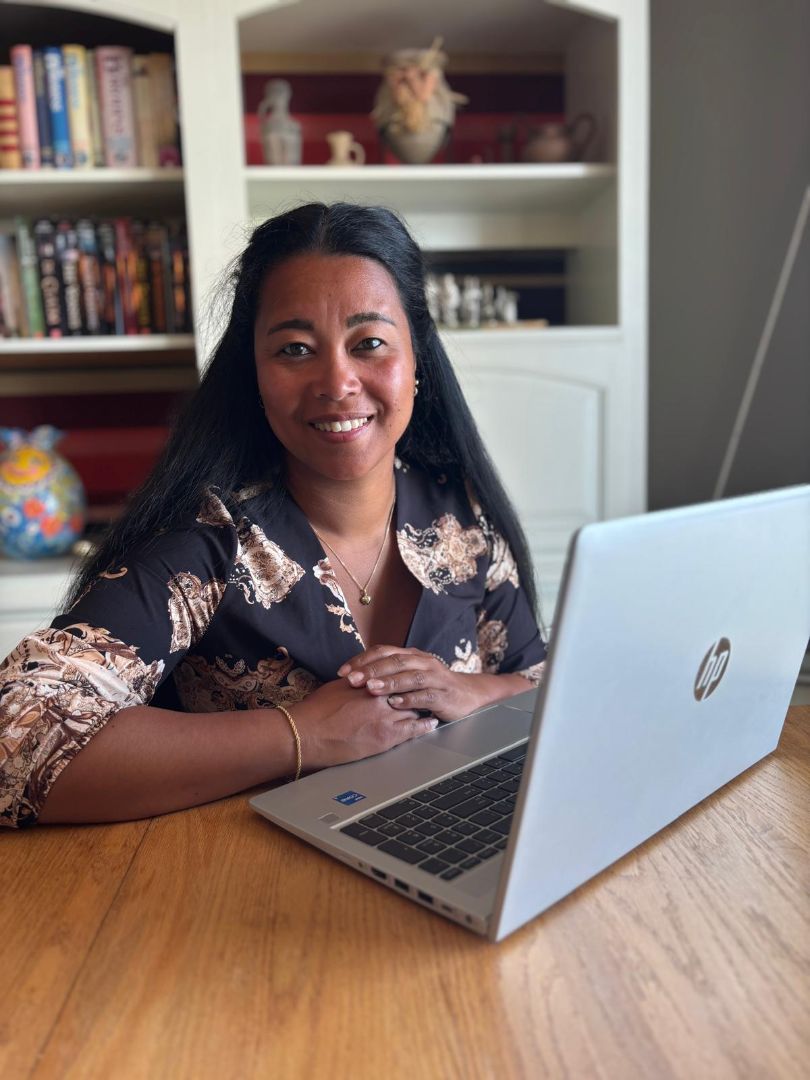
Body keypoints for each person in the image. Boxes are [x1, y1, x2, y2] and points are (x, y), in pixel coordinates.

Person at [0, 202, 546, 829]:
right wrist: (300, 736)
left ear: (417, 358)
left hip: (450, 843)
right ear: (254, 374)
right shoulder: (205, 544)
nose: (337, 381)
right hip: (245, 886)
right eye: (294, 349)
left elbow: (547, 679)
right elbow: (18, 734)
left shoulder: (460, 513)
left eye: (369, 343)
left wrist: (470, 694)